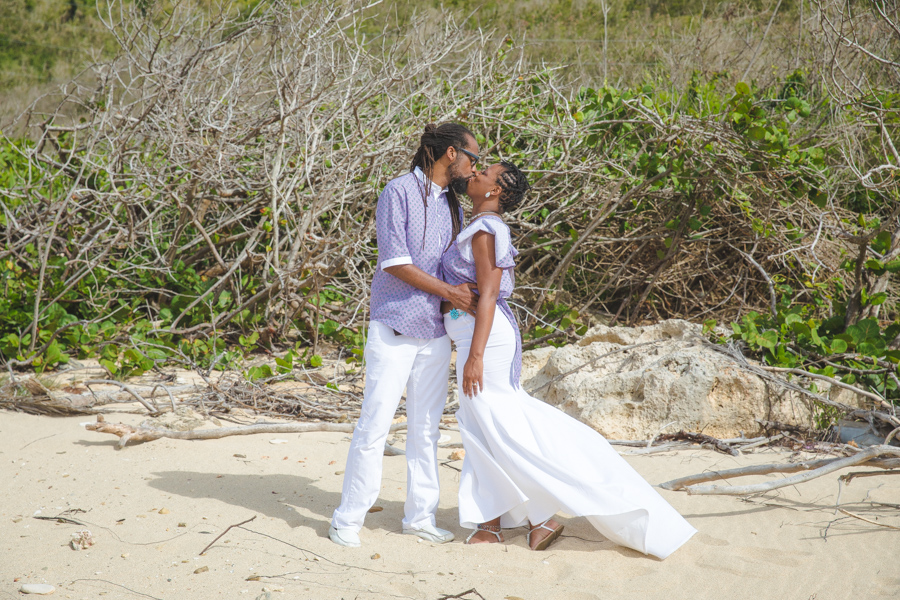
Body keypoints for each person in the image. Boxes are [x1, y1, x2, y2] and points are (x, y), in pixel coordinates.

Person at [439, 162, 697, 558]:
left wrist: (473, 355)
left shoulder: (486, 230)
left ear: (494, 192)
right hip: (477, 336)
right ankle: (498, 522)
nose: (475, 174)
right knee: (482, 425)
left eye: (485, 173)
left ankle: (540, 517)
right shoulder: (479, 226)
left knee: (500, 425)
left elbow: (488, 295)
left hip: (485, 342)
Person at [328, 123, 481, 548]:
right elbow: (395, 261)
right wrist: (451, 292)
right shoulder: (397, 192)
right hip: (394, 326)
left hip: (434, 332)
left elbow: (452, 264)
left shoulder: (454, 205)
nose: (473, 168)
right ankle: (347, 519)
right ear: (451, 153)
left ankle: (420, 518)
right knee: (374, 425)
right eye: (471, 158)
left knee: (426, 430)